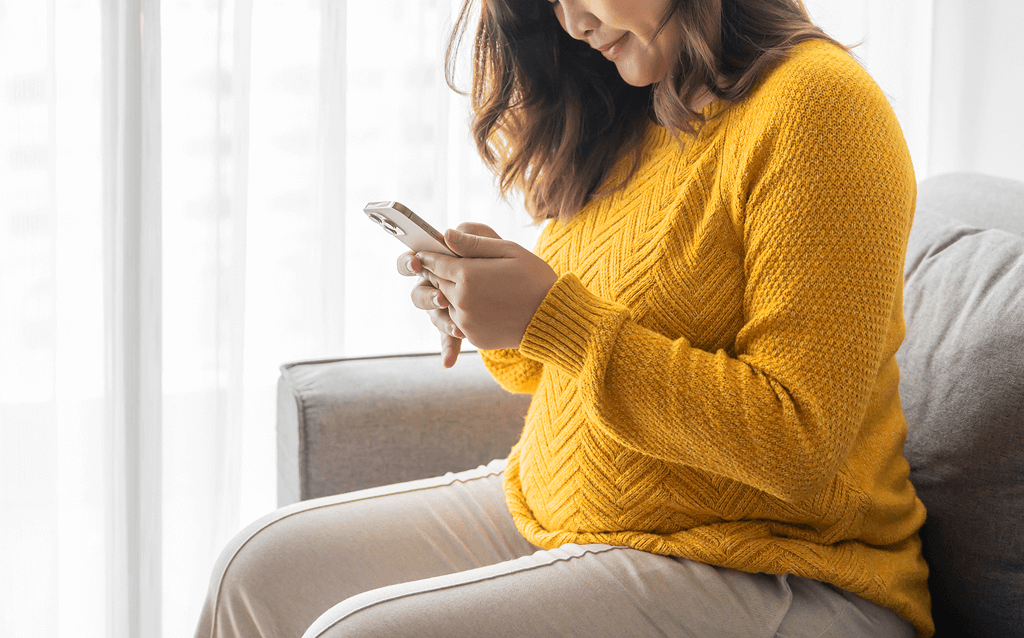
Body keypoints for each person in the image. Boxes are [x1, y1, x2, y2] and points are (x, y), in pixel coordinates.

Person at [194, 0, 933, 636]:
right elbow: (567, 357)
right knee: (258, 572)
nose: (573, 24)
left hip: (782, 569)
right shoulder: (642, 106)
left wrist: (554, 318)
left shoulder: (819, 106)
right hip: (581, 519)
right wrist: (496, 308)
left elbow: (799, 446)